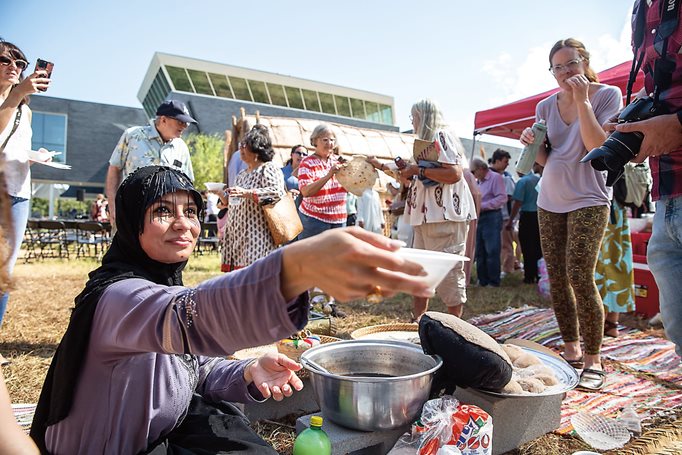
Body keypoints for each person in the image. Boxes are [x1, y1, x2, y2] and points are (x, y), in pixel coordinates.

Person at [29, 165, 432, 454]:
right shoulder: (117, 299)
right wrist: (297, 268)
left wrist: (247, 372)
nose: (184, 225)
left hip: (168, 428)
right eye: (162, 211)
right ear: (133, 224)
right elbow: (193, 317)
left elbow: (194, 366)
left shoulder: (159, 284)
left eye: (190, 211)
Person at [520, 38, 622, 389]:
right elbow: (548, 158)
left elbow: (598, 146)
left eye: (571, 64)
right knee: (558, 278)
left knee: (580, 274)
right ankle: (571, 349)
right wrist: (531, 145)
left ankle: (594, 359)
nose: (565, 73)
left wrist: (582, 102)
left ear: (585, 61)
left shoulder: (607, 95)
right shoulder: (545, 106)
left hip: (590, 197)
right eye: (557, 67)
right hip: (550, 197)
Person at [605, 0, 682, 358]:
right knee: (678, 330)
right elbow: (664, 87)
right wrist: (637, 114)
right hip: (667, 193)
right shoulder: (643, 9)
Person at [368, 99, 475, 320]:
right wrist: (382, 165)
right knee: (420, 272)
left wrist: (419, 170)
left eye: (413, 116)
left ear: (423, 117)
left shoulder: (441, 137)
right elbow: (411, 172)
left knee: (448, 273)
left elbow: (454, 174)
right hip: (425, 217)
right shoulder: (425, 143)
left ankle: (455, 327)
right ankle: (418, 322)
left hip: (444, 216)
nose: (412, 121)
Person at [0, 40, 51, 332]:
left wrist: (34, 158)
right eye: (6, 61)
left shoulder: (25, 110)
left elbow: (15, 149)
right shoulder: (14, 99)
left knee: (4, 272)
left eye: (19, 64)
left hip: (18, 192)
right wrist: (18, 92)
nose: (14, 68)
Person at [105, 99, 197, 226]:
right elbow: (114, 169)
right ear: (163, 120)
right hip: (131, 213)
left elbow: (187, 184)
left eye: (187, 123)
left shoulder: (182, 147)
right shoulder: (132, 136)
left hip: (167, 220)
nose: (185, 126)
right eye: (181, 121)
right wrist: (113, 207)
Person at [218, 125, 286, 272]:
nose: (241, 149)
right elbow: (235, 201)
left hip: (257, 235)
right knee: (236, 280)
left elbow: (277, 193)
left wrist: (246, 193)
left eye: (245, 146)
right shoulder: (242, 174)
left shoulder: (268, 168)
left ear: (257, 150)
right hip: (236, 236)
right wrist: (222, 197)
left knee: (254, 277)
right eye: (241, 145)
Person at [596, 176, 635, 338]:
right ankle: (612, 323)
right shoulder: (619, 155)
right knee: (618, 265)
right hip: (616, 208)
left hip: (600, 207)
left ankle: (598, 323)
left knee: (598, 269)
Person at [297, 124, 347, 239]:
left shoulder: (338, 161)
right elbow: (306, 191)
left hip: (339, 219)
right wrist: (329, 175)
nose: (329, 143)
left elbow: (351, 187)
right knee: (312, 256)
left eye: (332, 140)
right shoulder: (307, 162)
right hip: (314, 220)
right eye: (325, 140)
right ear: (315, 141)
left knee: (337, 256)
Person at [470, 157, 506, 287]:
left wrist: (483, 205)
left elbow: (502, 198)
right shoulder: (478, 182)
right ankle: (482, 279)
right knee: (480, 250)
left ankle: (493, 281)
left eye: (473, 172)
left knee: (492, 249)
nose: (473, 175)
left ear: (481, 168)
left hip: (492, 216)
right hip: (480, 217)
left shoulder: (496, 178)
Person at [507, 163, 543, 284]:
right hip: (539, 215)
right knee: (538, 247)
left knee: (527, 248)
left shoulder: (522, 182)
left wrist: (511, 220)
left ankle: (529, 276)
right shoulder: (539, 179)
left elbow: (517, 202)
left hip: (527, 216)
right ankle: (539, 274)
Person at [489, 149, 520, 275]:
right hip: (492, 216)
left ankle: (507, 269)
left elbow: (510, 197)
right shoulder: (489, 175)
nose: (507, 164)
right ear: (497, 161)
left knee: (506, 244)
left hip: (504, 216)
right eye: (505, 161)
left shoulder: (507, 177)